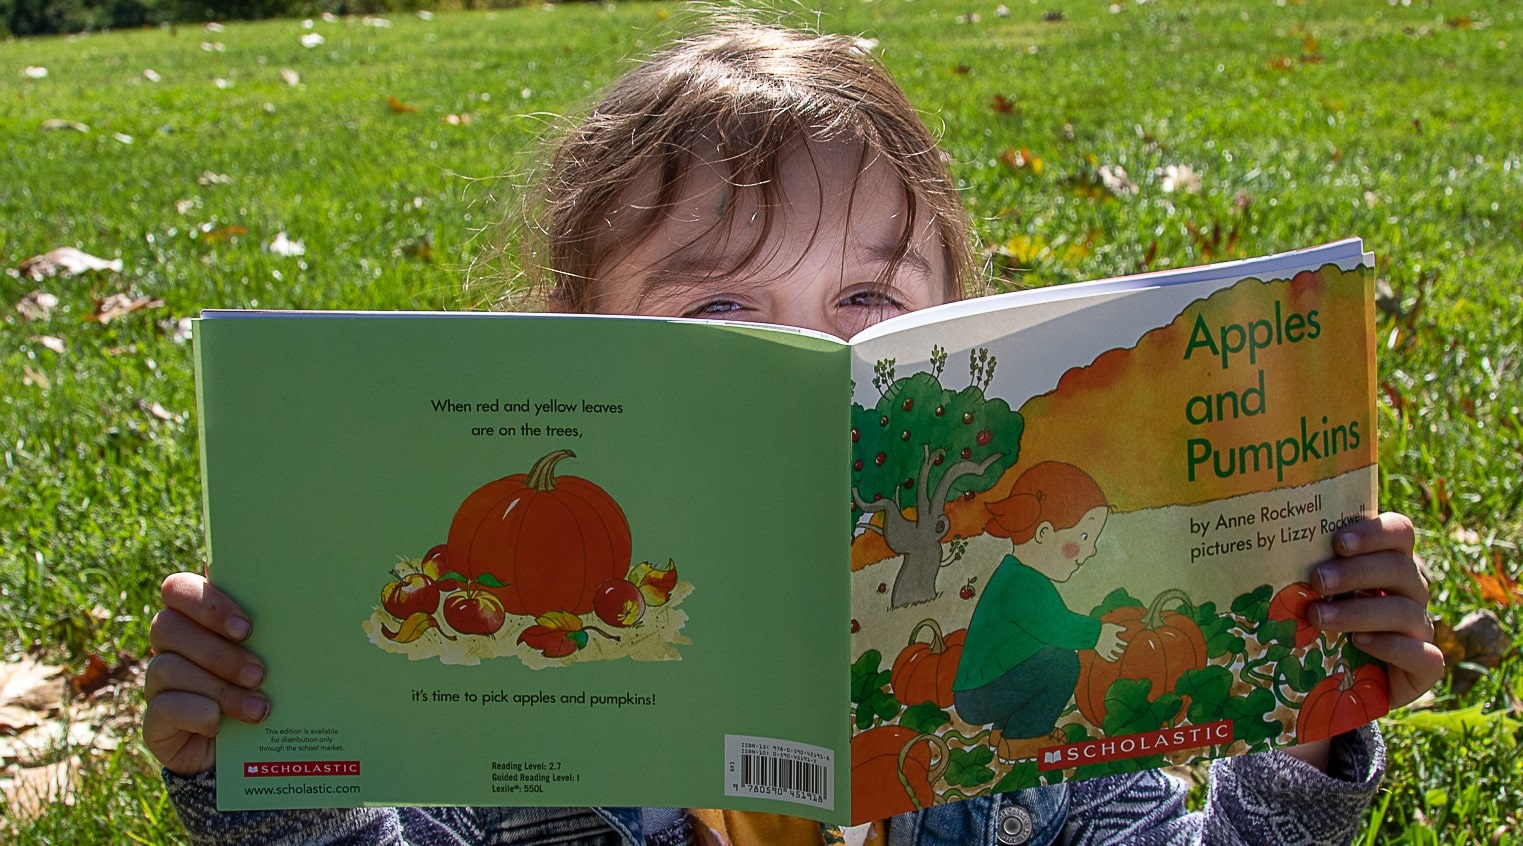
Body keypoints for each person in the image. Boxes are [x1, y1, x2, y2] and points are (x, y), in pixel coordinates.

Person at [144, 20, 1445, 846]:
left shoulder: (1022, 702)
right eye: (717, 306)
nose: (812, 358)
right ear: (568, 339)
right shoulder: (507, 682)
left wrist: (1301, 734)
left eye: (866, 301)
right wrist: (277, 772)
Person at [953, 462, 1127, 764]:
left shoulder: (1018, 575)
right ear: (1044, 533)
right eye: (1085, 538)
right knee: (1061, 664)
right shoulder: (1023, 583)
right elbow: (1056, 626)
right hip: (979, 695)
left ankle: (1007, 730)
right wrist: (1096, 633)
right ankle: (1022, 739)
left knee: (1042, 660)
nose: (1093, 551)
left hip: (985, 688)